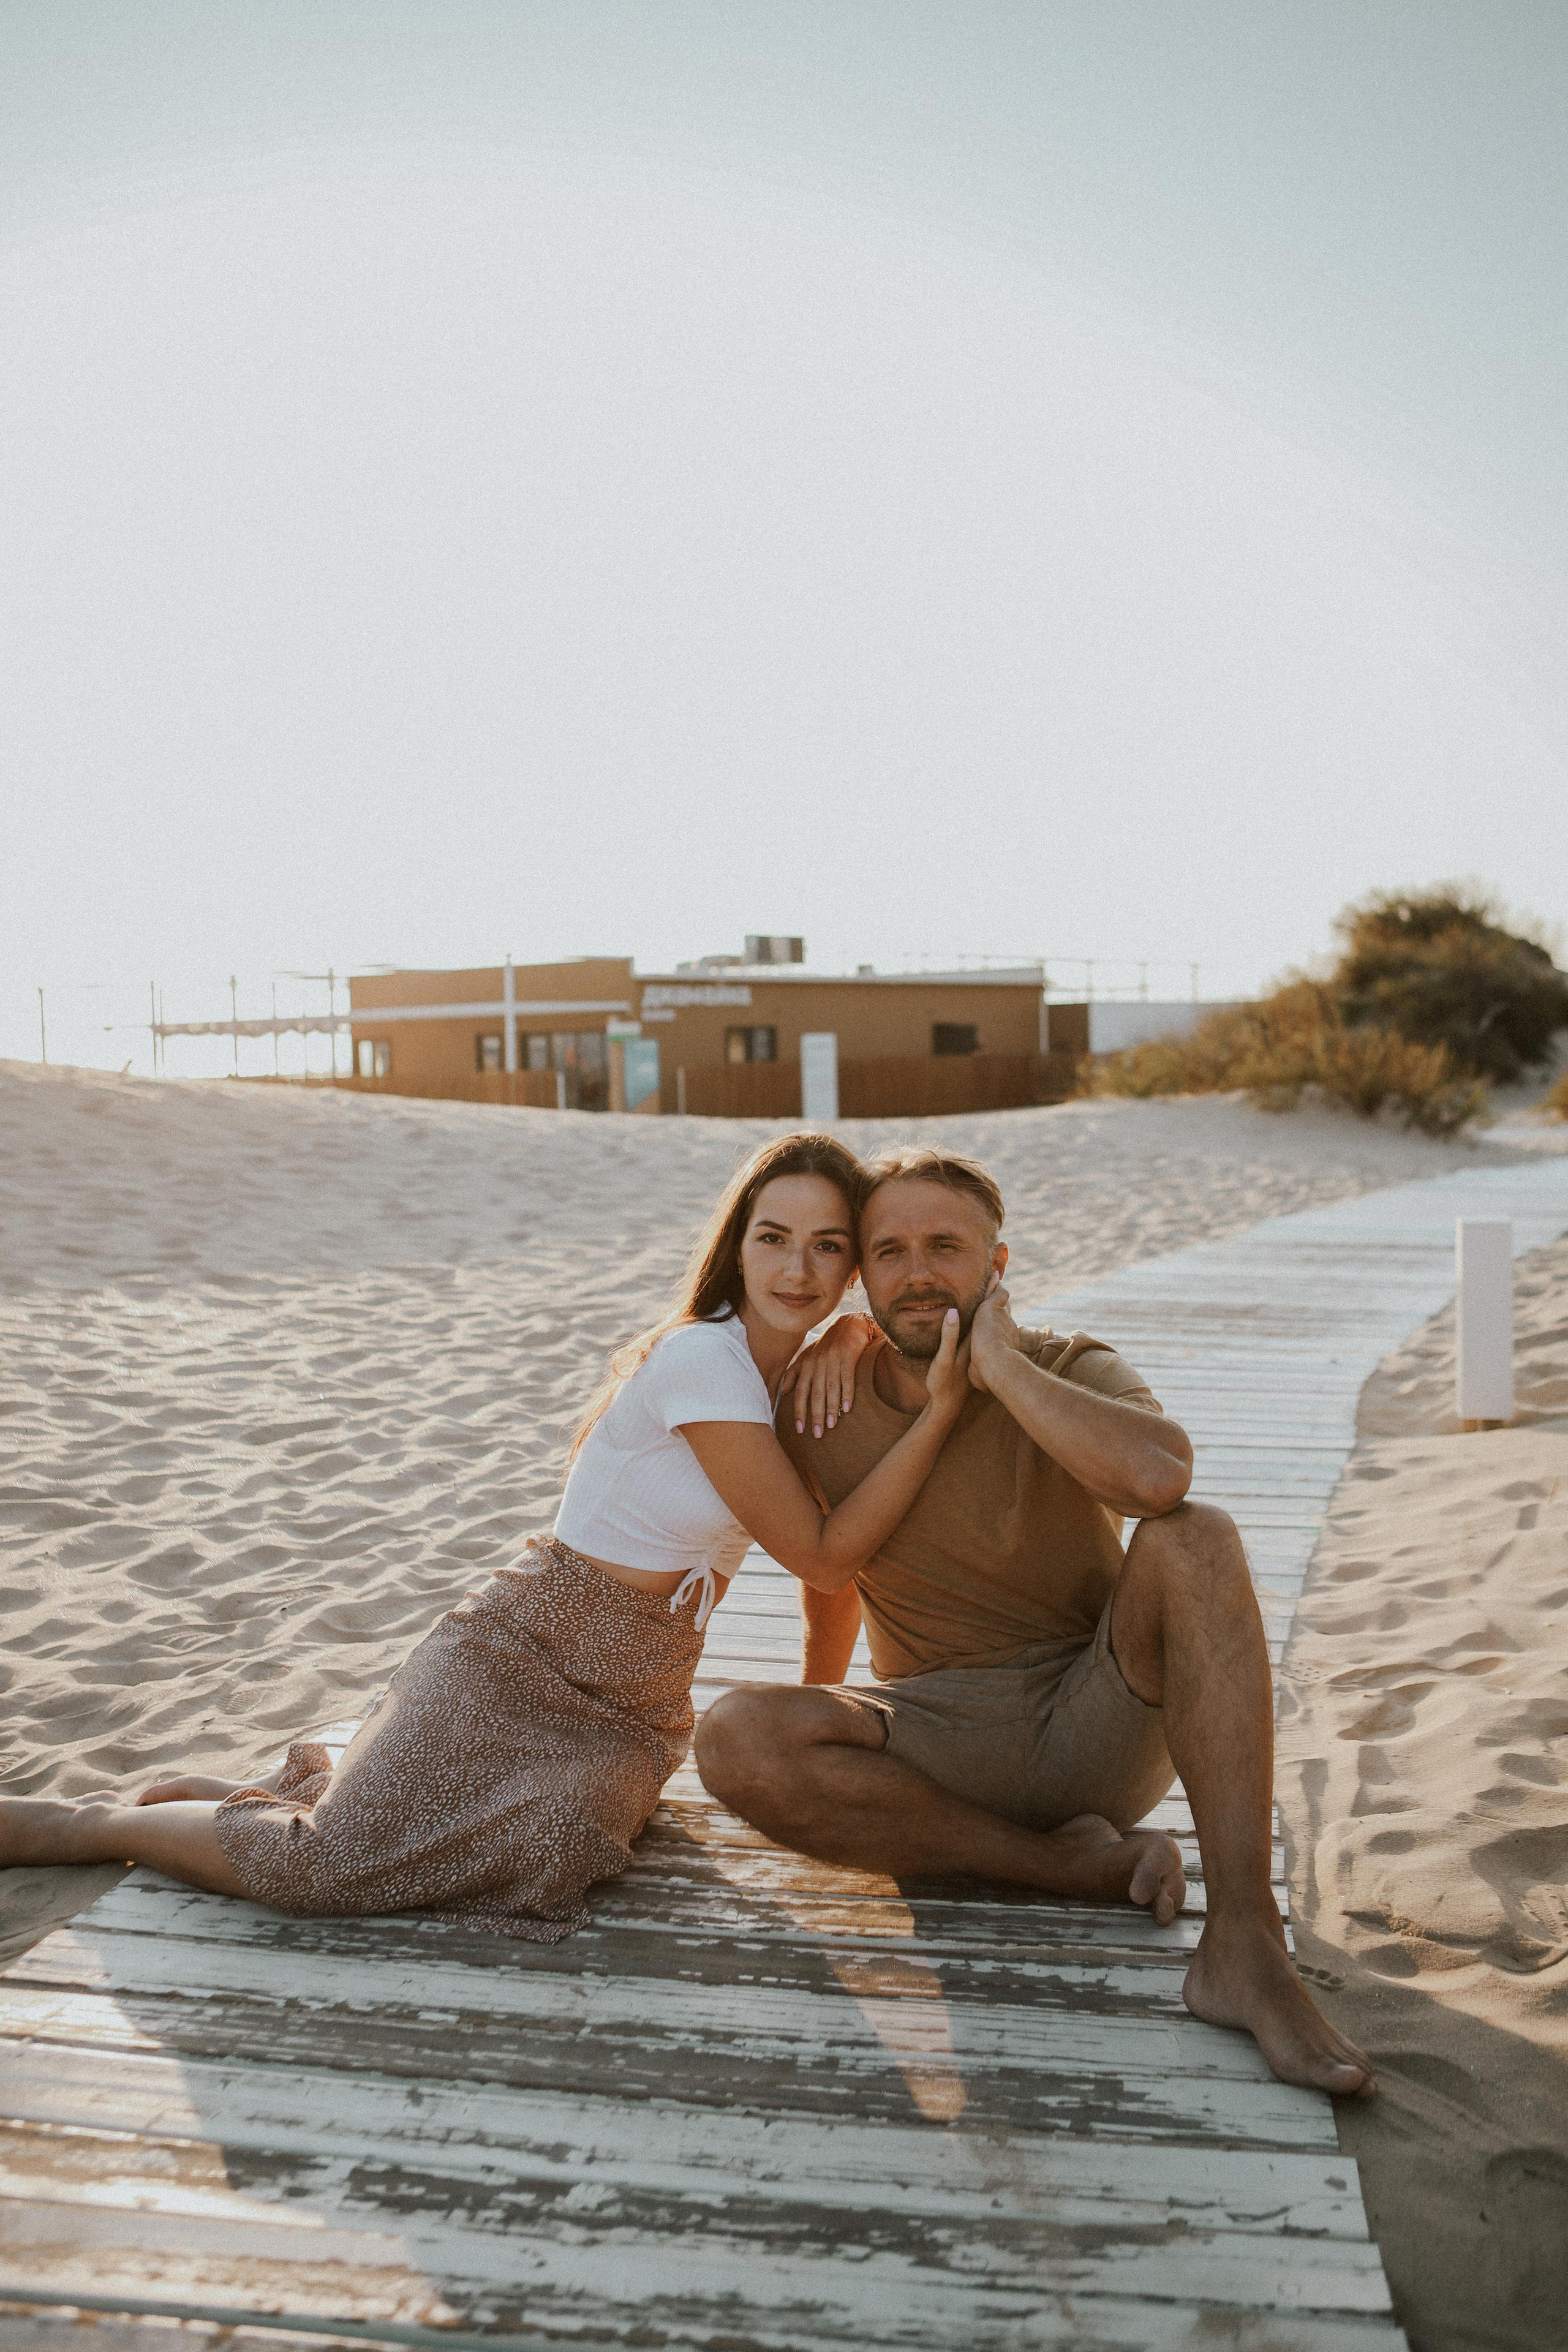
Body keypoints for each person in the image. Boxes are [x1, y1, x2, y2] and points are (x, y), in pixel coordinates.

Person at [0, 1134, 972, 1942]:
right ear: (739, 1246)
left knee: (564, 1843)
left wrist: (812, 1698)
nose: (798, 1270)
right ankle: (94, 1825)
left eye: (827, 1246)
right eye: (774, 1238)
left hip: (636, 1702)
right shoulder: (703, 1361)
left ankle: (324, 1788)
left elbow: (832, 1580)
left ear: (853, 1265)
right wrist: (938, 1411)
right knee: (324, 1871)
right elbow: (824, 1554)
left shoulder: (803, 1376)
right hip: (521, 1653)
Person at [698, 1143, 1376, 2097]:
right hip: (940, 1738)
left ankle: (1243, 1939)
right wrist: (821, 1714)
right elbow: (831, 1569)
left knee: (1198, 1536)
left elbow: (1161, 1478)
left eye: (946, 1247)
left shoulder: (1071, 1366)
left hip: (1098, 1717)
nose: (917, 1273)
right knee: (735, 1736)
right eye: (889, 1252)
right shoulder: (825, 1396)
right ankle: (1068, 1869)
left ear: (998, 1264)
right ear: (861, 1277)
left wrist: (1002, 1368)